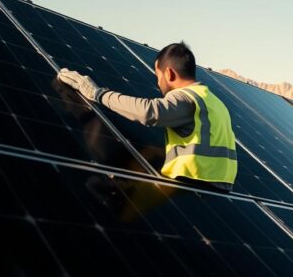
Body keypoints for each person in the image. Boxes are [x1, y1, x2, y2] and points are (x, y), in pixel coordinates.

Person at [57, 42, 237, 192]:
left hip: (193, 181)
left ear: (169, 74)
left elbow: (150, 112)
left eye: (158, 77)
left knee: (101, 191)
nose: (158, 83)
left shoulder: (186, 97)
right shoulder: (213, 101)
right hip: (217, 185)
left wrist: (97, 94)